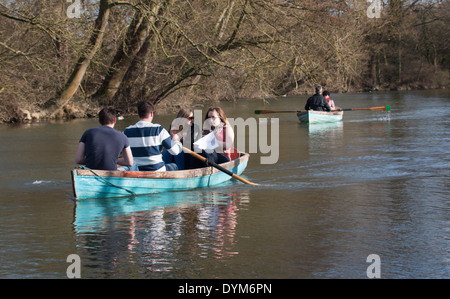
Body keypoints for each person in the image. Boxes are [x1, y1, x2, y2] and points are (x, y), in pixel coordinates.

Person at [123, 100, 182, 171]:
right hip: (156, 171)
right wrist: (176, 141)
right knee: (173, 166)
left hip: (137, 171)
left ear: (138, 113)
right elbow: (175, 151)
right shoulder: (158, 130)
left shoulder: (126, 131)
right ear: (151, 113)